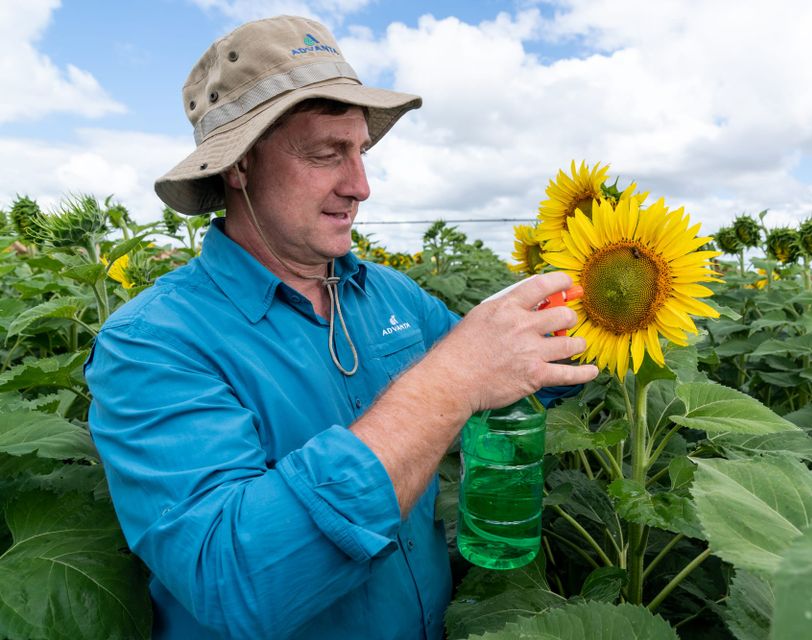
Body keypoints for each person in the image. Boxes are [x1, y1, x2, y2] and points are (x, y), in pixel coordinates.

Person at [84, 14, 597, 640]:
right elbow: (235, 580)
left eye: (360, 152)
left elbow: (515, 377)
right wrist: (451, 379)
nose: (361, 186)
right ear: (240, 166)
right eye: (328, 153)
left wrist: (607, 312)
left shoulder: (390, 293)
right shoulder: (152, 344)